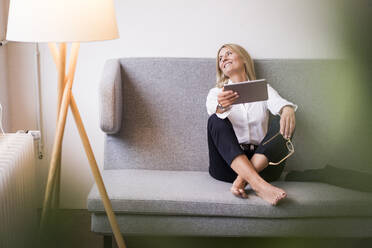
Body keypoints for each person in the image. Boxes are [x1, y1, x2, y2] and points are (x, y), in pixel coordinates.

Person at [206, 44, 297, 205]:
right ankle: (259, 185)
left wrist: (287, 109)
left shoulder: (264, 89)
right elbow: (216, 116)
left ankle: (244, 179)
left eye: (228, 53)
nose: (223, 58)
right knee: (215, 119)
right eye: (220, 58)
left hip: (264, 166)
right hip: (227, 168)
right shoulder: (216, 93)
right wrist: (221, 107)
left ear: (244, 59)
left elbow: (280, 105)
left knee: (283, 118)